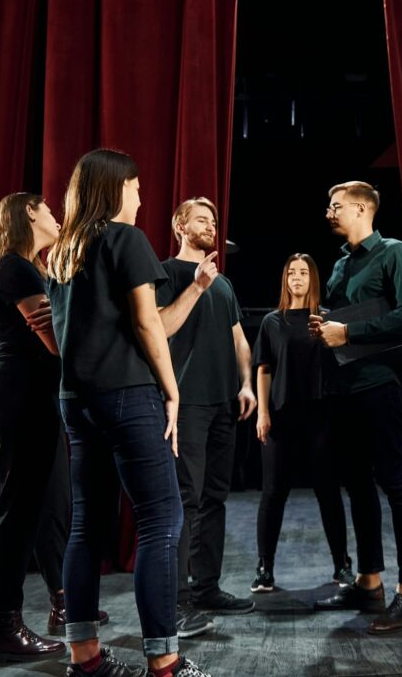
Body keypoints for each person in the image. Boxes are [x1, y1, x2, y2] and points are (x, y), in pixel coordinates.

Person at [47, 149, 209, 677]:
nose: (140, 198)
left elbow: (80, 328)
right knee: (162, 520)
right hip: (128, 395)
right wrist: (172, 391)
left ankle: (84, 658)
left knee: (86, 526)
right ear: (116, 189)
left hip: (76, 401)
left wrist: (195, 289)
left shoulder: (64, 250)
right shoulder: (126, 239)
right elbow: (147, 325)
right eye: (136, 188)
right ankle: (165, 662)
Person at [310, 181, 402, 634]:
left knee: (396, 483)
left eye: (335, 206)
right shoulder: (339, 265)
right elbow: (342, 322)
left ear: (362, 208)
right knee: (356, 485)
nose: (328, 212)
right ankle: (369, 582)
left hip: (380, 385)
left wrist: (349, 333)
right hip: (344, 389)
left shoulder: (394, 252)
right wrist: (325, 324)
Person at [0, 192, 73, 666]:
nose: (56, 216)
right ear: (29, 213)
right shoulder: (15, 266)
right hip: (22, 393)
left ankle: (31, 614)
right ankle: (4, 630)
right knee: (17, 512)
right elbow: (55, 341)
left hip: (25, 394)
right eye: (49, 209)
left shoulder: (20, 266)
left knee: (36, 508)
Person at [156, 197, 258, 635]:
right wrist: (195, 285)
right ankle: (176, 605)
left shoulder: (224, 283)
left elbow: (239, 339)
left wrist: (247, 383)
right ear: (180, 224)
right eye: (201, 219)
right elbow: (159, 326)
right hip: (186, 403)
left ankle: (207, 587)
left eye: (213, 221)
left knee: (216, 498)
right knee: (185, 500)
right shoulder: (165, 272)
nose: (210, 226)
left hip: (222, 404)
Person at [251, 253, 355, 593]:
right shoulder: (272, 322)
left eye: (303, 272)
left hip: (321, 414)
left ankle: (342, 564)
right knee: (273, 493)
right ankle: (265, 568)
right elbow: (263, 368)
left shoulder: (326, 320)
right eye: (291, 272)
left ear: (313, 279)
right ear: (285, 280)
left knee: (327, 491)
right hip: (281, 413)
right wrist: (263, 413)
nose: (297, 277)